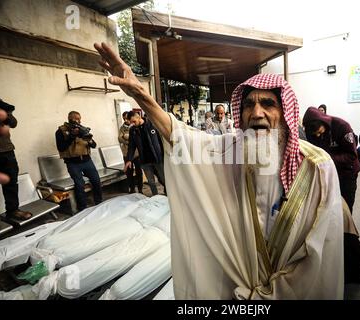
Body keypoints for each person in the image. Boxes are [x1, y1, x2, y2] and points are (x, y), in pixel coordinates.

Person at [95, 42, 344, 299]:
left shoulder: (317, 167)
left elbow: (321, 248)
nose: (256, 113)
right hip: (241, 292)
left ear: (285, 113)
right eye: (248, 104)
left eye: (268, 104)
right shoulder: (234, 151)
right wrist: (141, 96)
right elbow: (184, 139)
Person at [302, 107, 360, 213]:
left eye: (319, 132)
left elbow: (351, 156)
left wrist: (327, 160)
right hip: (326, 175)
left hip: (346, 173)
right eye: (315, 135)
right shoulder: (311, 132)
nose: (318, 136)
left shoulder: (342, 127)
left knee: (345, 209)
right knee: (327, 209)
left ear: (323, 122)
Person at [55, 111, 103, 212]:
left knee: (96, 180)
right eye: (77, 119)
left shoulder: (82, 129)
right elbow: (61, 147)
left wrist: (89, 139)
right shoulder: (60, 131)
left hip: (86, 160)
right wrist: (72, 136)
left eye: (80, 119)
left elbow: (94, 145)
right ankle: (83, 208)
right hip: (73, 163)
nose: (79, 121)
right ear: (71, 119)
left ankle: (99, 202)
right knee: (79, 184)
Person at [0, 99, 32, 220]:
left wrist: (5, 113)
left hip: (7, 151)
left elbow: (13, 123)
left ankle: (12, 211)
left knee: (11, 182)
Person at [125, 111, 165, 196]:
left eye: (134, 121)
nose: (132, 124)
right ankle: (155, 197)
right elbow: (131, 146)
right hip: (144, 160)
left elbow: (161, 141)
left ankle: (169, 194)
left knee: (163, 178)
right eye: (131, 122)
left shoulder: (152, 124)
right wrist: (129, 160)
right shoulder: (133, 130)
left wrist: (164, 155)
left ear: (139, 117)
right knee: (151, 181)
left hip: (157, 157)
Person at [118, 111, 143, 194]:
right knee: (129, 173)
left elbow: (136, 139)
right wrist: (129, 140)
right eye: (124, 119)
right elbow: (120, 138)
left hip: (136, 153)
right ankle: (132, 189)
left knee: (139, 172)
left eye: (127, 119)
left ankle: (140, 189)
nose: (126, 120)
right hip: (127, 154)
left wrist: (126, 137)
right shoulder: (122, 128)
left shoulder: (135, 127)